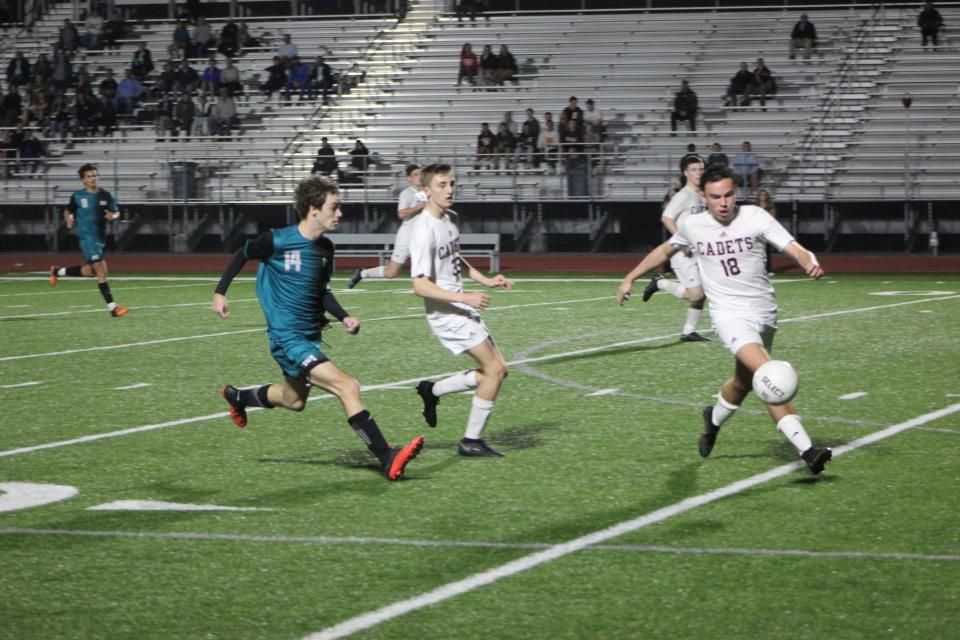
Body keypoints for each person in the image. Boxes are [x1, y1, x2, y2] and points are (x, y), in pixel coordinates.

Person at [616, 164, 831, 475]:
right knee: (767, 376)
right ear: (704, 197)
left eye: (729, 195)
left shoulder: (755, 216)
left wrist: (808, 261)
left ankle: (712, 421)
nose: (724, 202)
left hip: (764, 312)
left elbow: (793, 247)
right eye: (716, 197)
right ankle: (808, 451)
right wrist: (630, 277)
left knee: (743, 383)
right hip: (729, 315)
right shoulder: (693, 224)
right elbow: (663, 251)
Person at [213, 175, 424, 482]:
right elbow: (242, 253)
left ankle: (239, 397)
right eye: (334, 207)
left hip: (309, 337)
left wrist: (344, 316)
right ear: (313, 209)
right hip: (288, 338)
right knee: (347, 387)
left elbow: (321, 291)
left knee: (293, 401)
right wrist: (220, 292)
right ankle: (386, 456)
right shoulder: (278, 240)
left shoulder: (325, 248)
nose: (339, 214)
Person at [410, 163, 513, 457]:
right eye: (442, 185)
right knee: (494, 370)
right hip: (446, 313)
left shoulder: (449, 220)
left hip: (459, 307)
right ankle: (471, 441)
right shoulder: (423, 229)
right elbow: (420, 285)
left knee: (496, 372)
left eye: (452, 183)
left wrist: (487, 280)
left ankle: (433, 391)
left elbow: (456, 260)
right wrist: (465, 298)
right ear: (426, 190)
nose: (450, 190)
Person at [49, 164, 129, 317]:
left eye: (94, 175)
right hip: (87, 238)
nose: (93, 178)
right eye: (89, 176)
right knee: (100, 268)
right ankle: (113, 307)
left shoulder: (105, 195)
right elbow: (68, 210)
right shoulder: (78, 196)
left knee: (91, 271)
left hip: (100, 239)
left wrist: (113, 216)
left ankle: (58, 271)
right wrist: (68, 220)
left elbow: (117, 211)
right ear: (83, 180)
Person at [645, 154, 709, 342]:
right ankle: (659, 283)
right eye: (694, 170)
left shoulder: (700, 194)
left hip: (697, 251)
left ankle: (689, 331)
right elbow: (666, 217)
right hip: (683, 254)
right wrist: (680, 242)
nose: (698, 173)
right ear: (685, 173)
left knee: (702, 292)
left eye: (700, 169)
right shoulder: (683, 195)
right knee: (695, 294)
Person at [348, 163, 427, 288]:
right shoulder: (406, 194)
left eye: (421, 174)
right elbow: (402, 214)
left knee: (428, 266)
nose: (419, 177)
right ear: (409, 178)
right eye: (415, 174)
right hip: (407, 237)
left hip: (422, 236)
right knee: (391, 272)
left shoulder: (427, 193)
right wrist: (420, 206)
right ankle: (363, 273)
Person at [755, 188, 778, 275]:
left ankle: (768, 270)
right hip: (757, 230)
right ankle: (759, 270)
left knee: (767, 251)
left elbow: (772, 219)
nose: (763, 197)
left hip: (766, 230)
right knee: (758, 251)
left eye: (764, 195)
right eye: (761, 195)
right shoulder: (756, 206)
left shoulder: (770, 207)